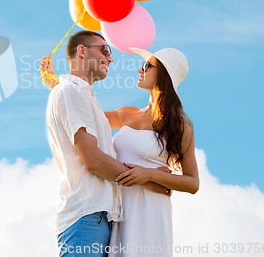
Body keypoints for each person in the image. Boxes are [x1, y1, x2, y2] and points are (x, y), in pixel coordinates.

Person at [42, 45, 199, 257]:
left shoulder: (180, 126)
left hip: (150, 209)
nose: (140, 70)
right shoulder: (127, 113)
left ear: (164, 75)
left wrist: (149, 175)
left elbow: (192, 182)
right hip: (119, 208)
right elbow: (82, 111)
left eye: (147, 65)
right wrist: (54, 84)